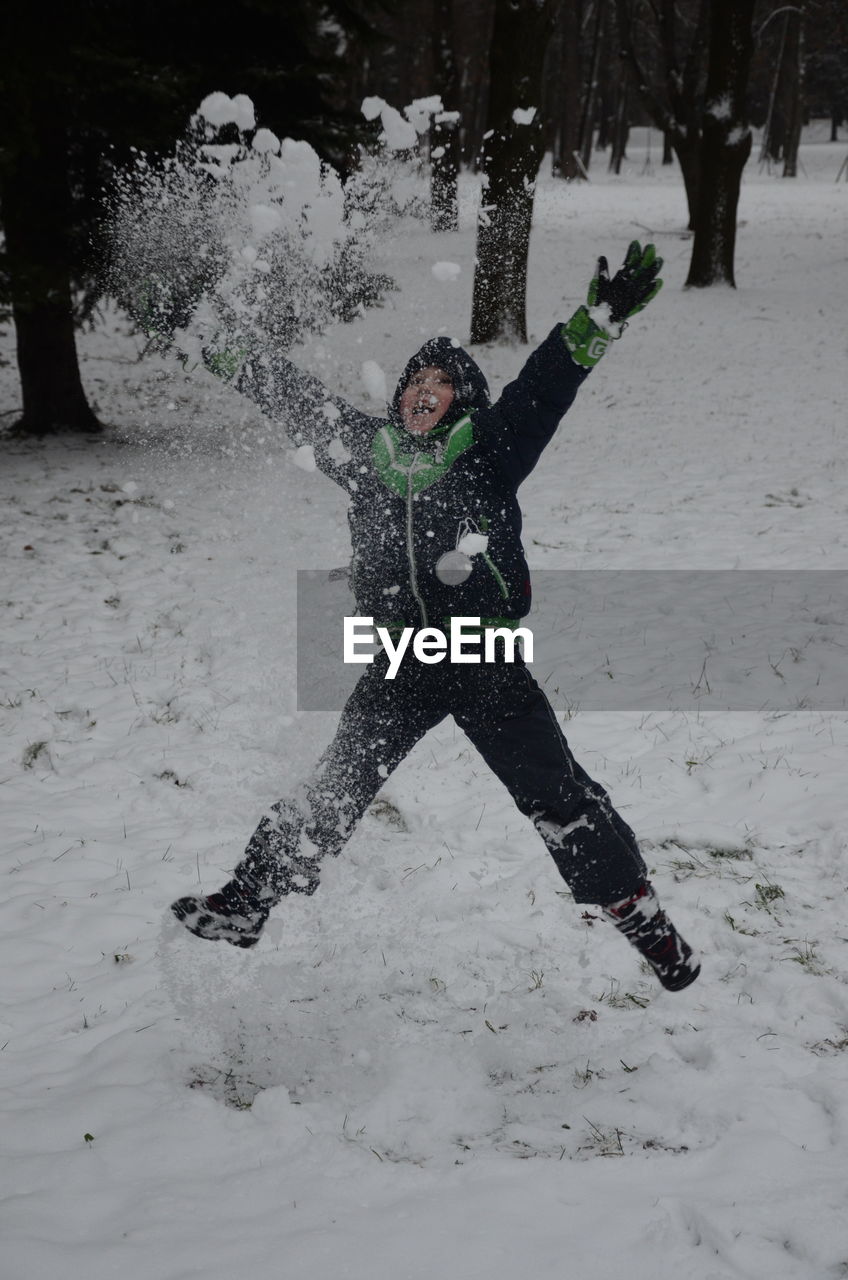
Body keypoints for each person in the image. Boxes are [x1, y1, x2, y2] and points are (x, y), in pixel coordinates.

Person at [171, 242, 701, 992]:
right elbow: (290, 394)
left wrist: (598, 319)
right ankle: (250, 901)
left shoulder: (490, 448)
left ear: (465, 399)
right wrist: (219, 346)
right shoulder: (366, 452)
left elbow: (547, 385)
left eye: (443, 382)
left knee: (557, 800)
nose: (425, 388)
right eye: (416, 379)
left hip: (485, 664)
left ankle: (648, 927)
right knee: (335, 784)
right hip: (400, 665)